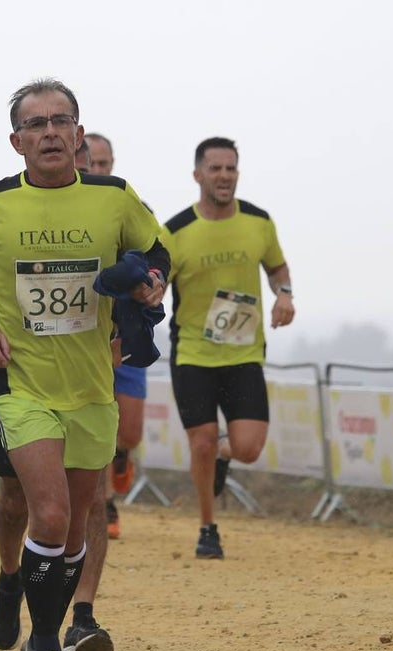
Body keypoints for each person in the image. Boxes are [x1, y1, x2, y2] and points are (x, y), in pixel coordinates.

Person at [0, 79, 168, 651]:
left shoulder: (114, 197)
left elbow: (155, 252)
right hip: (23, 383)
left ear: (78, 134)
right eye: (35, 124)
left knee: (72, 538)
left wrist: (150, 286)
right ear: (16, 141)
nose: (49, 132)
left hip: (93, 384)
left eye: (60, 120)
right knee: (52, 515)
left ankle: (38, 609)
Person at [160, 137, 295, 559]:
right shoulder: (176, 230)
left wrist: (285, 294)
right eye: (215, 169)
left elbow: (277, 268)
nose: (224, 176)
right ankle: (207, 527)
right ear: (198, 175)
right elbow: (157, 285)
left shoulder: (258, 221)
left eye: (230, 168)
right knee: (199, 441)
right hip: (194, 353)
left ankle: (223, 452)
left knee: (249, 449)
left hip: (243, 353)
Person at [85, 132, 150, 540]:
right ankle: (103, 503)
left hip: (124, 332)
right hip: (83, 338)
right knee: (96, 424)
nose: (97, 169)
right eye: (90, 162)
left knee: (128, 432)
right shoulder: (66, 210)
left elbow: (158, 260)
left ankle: (123, 456)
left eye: (104, 162)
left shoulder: (131, 208)